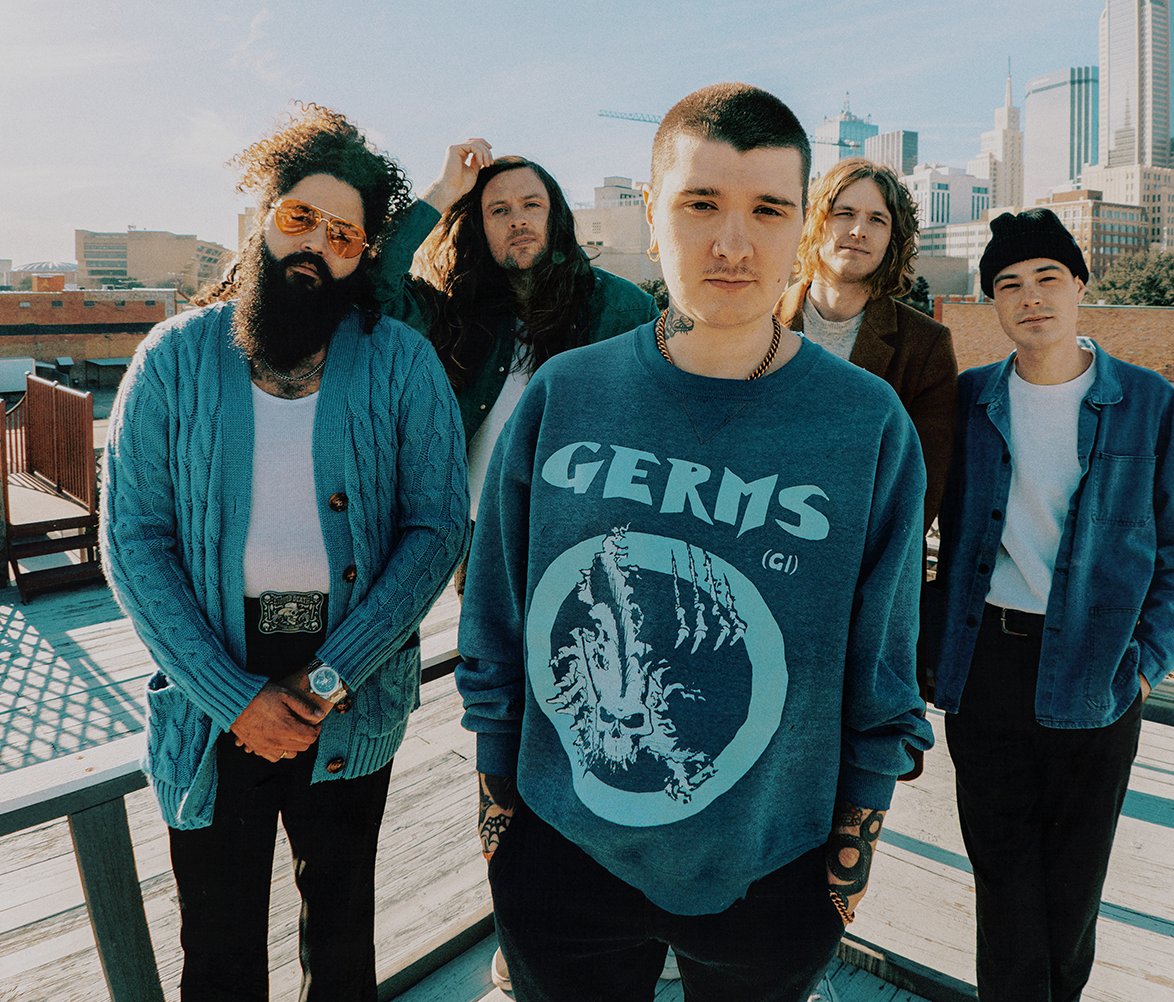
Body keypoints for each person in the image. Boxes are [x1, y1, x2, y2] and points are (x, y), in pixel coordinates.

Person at [456, 83, 934, 1002]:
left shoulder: (865, 424)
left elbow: (883, 668)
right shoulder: (565, 395)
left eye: (767, 209)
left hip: (771, 864)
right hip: (561, 847)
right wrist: (499, 823)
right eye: (701, 202)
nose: (732, 241)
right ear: (651, 211)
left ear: (799, 226)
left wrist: (842, 869)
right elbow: (499, 619)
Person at [102, 105, 468, 1001]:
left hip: (348, 685)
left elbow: (435, 529)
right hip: (210, 687)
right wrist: (235, 698)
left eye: (342, 234)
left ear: (362, 254)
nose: (316, 246)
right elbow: (132, 540)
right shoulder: (172, 359)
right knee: (219, 950)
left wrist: (329, 675)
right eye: (299, 218)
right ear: (263, 219)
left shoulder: (403, 363)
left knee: (342, 946)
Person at [924, 207, 1174, 1002]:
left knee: (1072, 888)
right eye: (1009, 284)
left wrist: (1146, 666)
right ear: (994, 302)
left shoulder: (1147, 402)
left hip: (1098, 669)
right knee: (1005, 884)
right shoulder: (972, 398)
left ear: (1080, 283)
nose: (1031, 297)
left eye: (1048, 276)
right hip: (985, 667)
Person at [375, 143, 655, 534]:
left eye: (532, 205)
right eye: (499, 210)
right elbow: (374, 285)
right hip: (477, 539)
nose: (517, 220)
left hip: (582, 535)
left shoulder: (623, 308)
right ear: (480, 228)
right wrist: (444, 189)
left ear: (555, 215)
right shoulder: (456, 312)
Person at [776, 156, 957, 532]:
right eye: (845, 213)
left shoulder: (925, 346)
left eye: (877, 219)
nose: (859, 230)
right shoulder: (760, 319)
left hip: (860, 563)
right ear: (816, 221)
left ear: (893, 238)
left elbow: (920, 492)